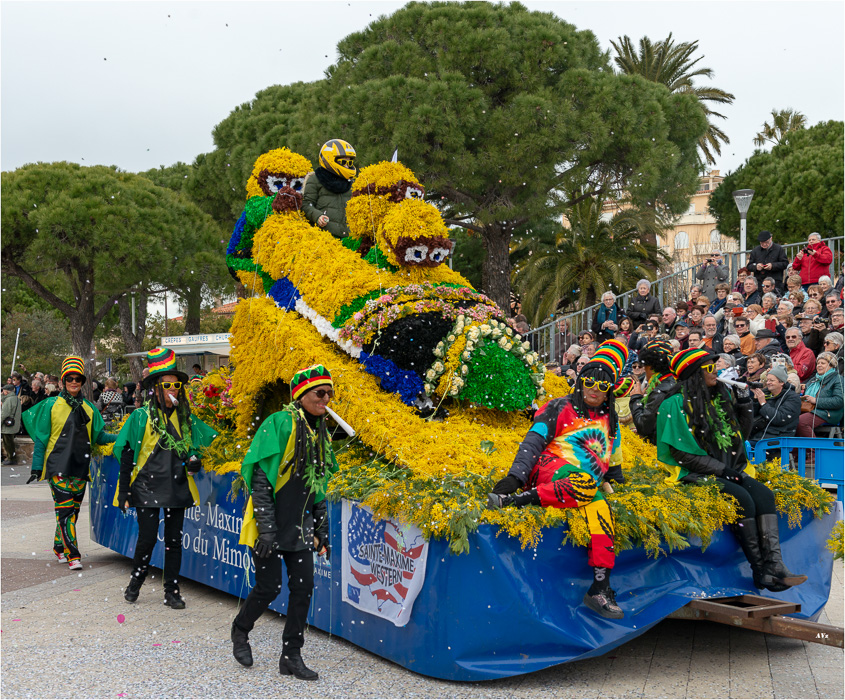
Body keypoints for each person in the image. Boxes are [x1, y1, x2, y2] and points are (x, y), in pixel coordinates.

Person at [487, 341, 629, 619]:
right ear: (580, 381)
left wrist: (617, 483)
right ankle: (513, 499)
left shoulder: (610, 420)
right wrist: (515, 477)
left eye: (602, 386)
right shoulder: (559, 407)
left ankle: (600, 588)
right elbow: (533, 441)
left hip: (582, 487)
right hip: (548, 469)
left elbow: (611, 460)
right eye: (588, 381)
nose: (593, 389)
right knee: (587, 485)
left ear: (610, 391)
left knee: (602, 513)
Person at [656, 348, 806, 592]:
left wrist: (745, 401)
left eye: (715, 365)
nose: (716, 371)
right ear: (695, 373)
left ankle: (776, 567)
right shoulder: (673, 404)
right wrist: (722, 471)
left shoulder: (718, 396)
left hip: (727, 467)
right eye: (709, 367)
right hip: (695, 472)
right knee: (743, 499)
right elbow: (681, 455)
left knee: (764, 495)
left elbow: (740, 435)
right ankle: (760, 572)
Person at [232, 364, 338, 679]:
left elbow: (318, 486)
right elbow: (261, 484)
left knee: (303, 588)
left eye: (330, 393)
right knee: (268, 588)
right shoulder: (278, 423)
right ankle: (240, 630)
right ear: (302, 394)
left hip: (299, 525)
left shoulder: (319, 430)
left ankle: (291, 655)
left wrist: (322, 530)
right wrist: (267, 530)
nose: (327, 399)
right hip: (270, 523)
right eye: (321, 393)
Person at [116, 348, 218, 609]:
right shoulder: (140, 417)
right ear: (155, 389)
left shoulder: (187, 420)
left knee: (174, 542)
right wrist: (124, 492)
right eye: (167, 384)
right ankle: (135, 582)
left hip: (176, 486)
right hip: (146, 486)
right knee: (147, 538)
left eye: (176, 384)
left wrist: (195, 461)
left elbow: (201, 448)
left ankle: (171, 590)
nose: (172, 388)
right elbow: (127, 456)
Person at [22, 357, 117, 569]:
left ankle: (59, 546)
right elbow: (41, 438)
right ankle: (73, 555)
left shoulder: (90, 408)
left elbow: (100, 437)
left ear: (82, 381)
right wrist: (37, 467)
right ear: (63, 381)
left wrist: (123, 437)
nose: (74, 382)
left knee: (72, 512)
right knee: (65, 511)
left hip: (80, 467)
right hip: (57, 467)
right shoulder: (50, 405)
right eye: (69, 378)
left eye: (78, 379)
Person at [301, 139, 357, 239]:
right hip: (325, 238)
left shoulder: (351, 183)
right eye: (343, 161)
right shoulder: (315, 179)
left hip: (349, 238)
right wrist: (318, 216)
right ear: (329, 159)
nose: (347, 165)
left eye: (350, 162)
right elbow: (306, 204)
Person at [628, 339, 675, 445]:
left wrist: (636, 398)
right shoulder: (675, 382)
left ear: (652, 367)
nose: (644, 370)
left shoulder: (660, 391)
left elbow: (644, 427)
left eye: (645, 367)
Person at [749, 364, 801, 442]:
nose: (768, 383)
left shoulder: (793, 398)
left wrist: (763, 403)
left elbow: (779, 419)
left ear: (782, 382)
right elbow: (751, 415)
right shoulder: (765, 393)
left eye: (772, 380)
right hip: (758, 435)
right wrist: (756, 401)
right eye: (767, 380)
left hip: (778, 438)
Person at [797, 353, 843, 437]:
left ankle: (813, 450)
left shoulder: (838, 379)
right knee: (790, 419)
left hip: (828, 413)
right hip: (811, 409)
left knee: (801, 422)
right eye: (818, 363)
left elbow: (839, 401)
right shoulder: (814, 380)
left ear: (832, 365)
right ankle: (796, 450)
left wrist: (816, 401)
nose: (819, 365)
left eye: (823, 363)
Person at [2, 384, 22, 465]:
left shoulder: (9, 400)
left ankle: (11, 458)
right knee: (10, 442)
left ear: (6, 391)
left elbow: (4, 414)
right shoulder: (15, 398)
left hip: (7, 426)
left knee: (8, 443)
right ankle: (11, 458)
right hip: (14, 424)